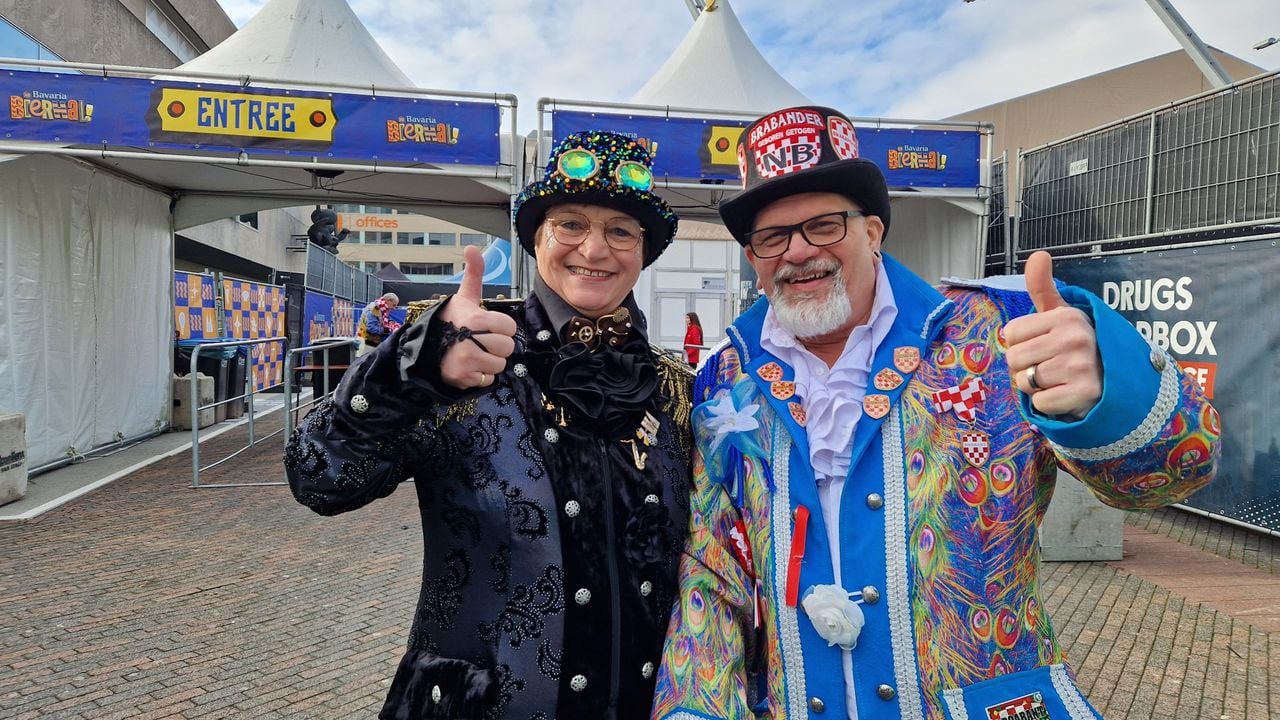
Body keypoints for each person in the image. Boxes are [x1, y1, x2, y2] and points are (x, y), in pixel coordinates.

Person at [651, 106, 1220, 720]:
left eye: (824, 225)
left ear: (873, 231)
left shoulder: (1001, 328)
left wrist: (1105, 399)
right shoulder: (726, 378)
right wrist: (695, 708)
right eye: (772, 237)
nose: (799, 251)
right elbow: (713, 564)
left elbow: (1174, 474)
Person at [285, 131, 694, 720]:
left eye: (621, 231)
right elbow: (319, 479)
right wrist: (410, 370)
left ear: (643, 251)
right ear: (536, 238)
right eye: (571, 224)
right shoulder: (462, 348)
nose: (595, 248)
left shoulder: (674, 389)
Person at [355, 292, 401, 357]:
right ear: (388, 301)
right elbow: (371, 328)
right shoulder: (375, 308)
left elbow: (382, 322)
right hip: (366, 342)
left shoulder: (381, 308)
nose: (394, 308)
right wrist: (385, 330)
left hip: (369, 341)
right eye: (394, 305)